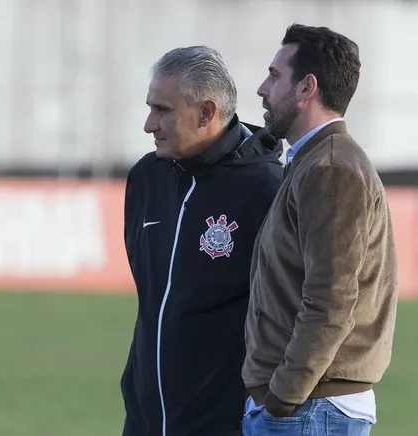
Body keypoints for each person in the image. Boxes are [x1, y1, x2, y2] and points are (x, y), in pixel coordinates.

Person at [241, 24, 399, 435]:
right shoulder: (316, 162)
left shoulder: (330, 169)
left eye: (275, 76)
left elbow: (332, 301)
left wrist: (282, 398)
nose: (262, 88)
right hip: (308, 407)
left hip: (310, 410)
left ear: (307, 87)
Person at [120, 45, 284, 436]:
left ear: (207, 113)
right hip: (144, 421)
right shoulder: (146, 178)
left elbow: (287, 314)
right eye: (150, 107)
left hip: (226, 424)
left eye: (163, 110)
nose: (148, 124)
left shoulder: (268, 190)